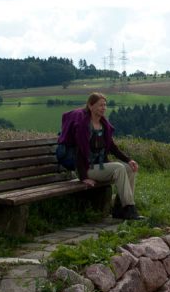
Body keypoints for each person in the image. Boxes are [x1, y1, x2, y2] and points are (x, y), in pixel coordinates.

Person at [57, 92, 144, 220]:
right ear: (90, 106)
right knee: (119, 168)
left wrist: (129, 160)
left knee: (129, 168)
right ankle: (129, 208)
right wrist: (83, 176)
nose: (103, 108)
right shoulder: (83, 126)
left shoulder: (104, 125)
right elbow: (79, 152)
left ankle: (120, 209)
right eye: (100, 105)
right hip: (87, 168)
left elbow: (113, 147)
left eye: (105, 105)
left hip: (100, 166)